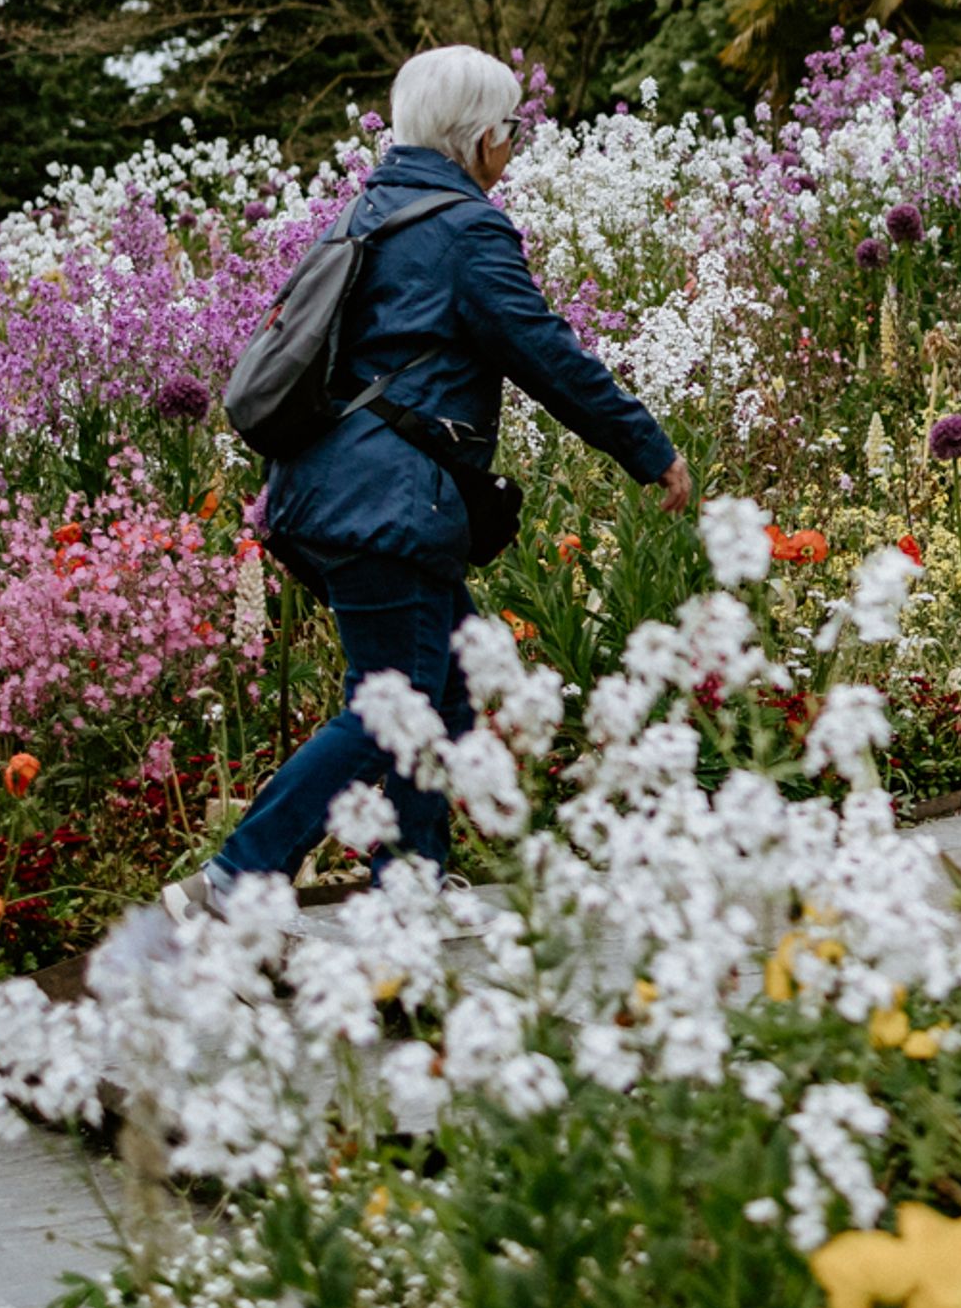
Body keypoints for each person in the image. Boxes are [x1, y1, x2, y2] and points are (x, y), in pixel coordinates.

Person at [184, 45, 692, 908]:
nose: (515, 148)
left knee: (443, 688)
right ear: (485, 136)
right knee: (396, 708)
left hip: (325, 492)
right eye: (514, 131)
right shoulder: (465, 229)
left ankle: (410, 884)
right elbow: (547, 355)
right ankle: (237, 874)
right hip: (388, 504)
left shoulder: (365, 215)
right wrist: (648, 448)